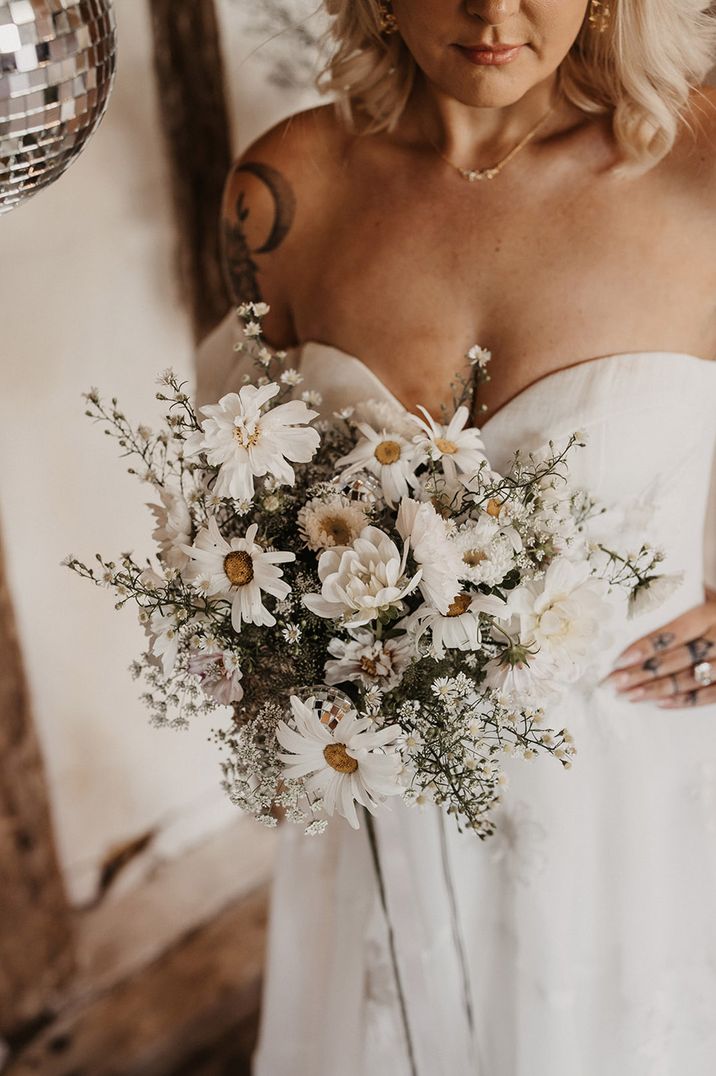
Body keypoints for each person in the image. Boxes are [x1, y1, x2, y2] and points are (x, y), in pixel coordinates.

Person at [198, 2, 716, 1072]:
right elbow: (233, 477)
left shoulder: (699, 166)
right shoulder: (284, 191)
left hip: (633, 792)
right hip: (379, 803)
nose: (491, 12)